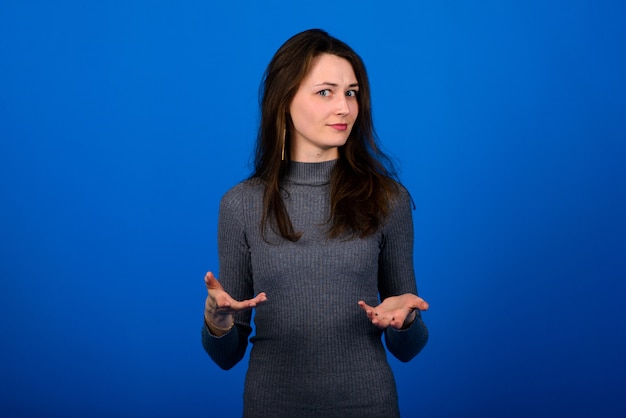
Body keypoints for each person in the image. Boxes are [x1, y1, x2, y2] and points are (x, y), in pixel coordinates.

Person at [202, 28, 429, 418]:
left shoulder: (388, 199)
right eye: (325, 92)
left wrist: (405, 320)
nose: (344, 108)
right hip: (272, 406)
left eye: (351, 93)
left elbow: (408, 348)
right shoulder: (240, 204)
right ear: (284, 98)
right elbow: (226, 356)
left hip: (369, 406)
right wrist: (218, 321)